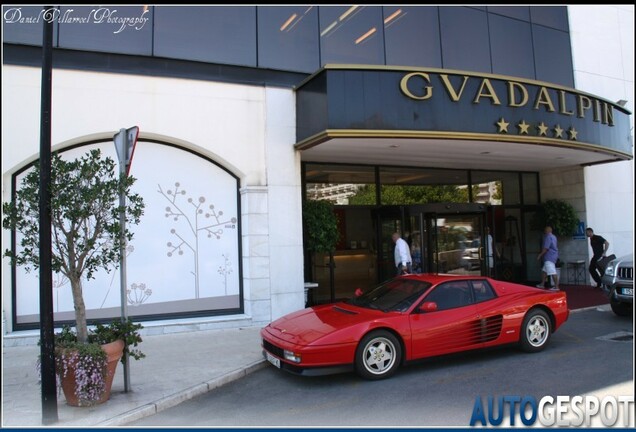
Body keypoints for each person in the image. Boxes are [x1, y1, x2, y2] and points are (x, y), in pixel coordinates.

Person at [536, 225, 559, 290]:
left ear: (548, 230)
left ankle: (556, 287)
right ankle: (542, 284)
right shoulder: (554, 237)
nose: (544, 231)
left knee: (552, 272)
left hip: (549, 257)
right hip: (553, 256)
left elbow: (546, 248)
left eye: (545, 230)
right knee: (544, 271)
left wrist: (540, 255)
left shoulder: (548, 237)